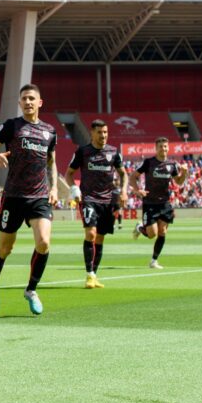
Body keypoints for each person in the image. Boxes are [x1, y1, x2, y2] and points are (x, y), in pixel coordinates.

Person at [0, 84, 58, 315]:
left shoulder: (49, 132)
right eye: (24, 98)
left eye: (32, 98)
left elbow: (51, 162)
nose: (28, 102)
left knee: (43, 242)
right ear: (20, 103)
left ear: (40, 103)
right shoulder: (11, 126)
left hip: (39, 196)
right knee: (5, 248)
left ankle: (31, 290)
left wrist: (53, 188)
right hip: (13, 196)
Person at [65, 119, 127, 288]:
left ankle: (94, 275)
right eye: (99, 132)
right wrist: (74, 189)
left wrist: (123, 190)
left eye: (105, 132)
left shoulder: (113, 152)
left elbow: (124, 174)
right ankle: (89, 274)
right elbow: (69, 173)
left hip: (108, 201)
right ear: (92, 133)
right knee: (91, 234)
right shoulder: (83, 152)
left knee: (100, 238)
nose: (103, 136)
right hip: (89, 199)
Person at [129, 137, 189, 269]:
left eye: (165, 146)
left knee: (162, 232)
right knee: (152, 234)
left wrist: (184, 173)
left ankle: (154, 261)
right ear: (156, 148)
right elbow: (133, 176)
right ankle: (140, 227)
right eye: (161, 146)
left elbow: (178, 182)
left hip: (165, 203)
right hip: (150, 203)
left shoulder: (172, 165)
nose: (163, 148)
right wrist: (138, 190)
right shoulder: (149, 162)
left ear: (168, 148)